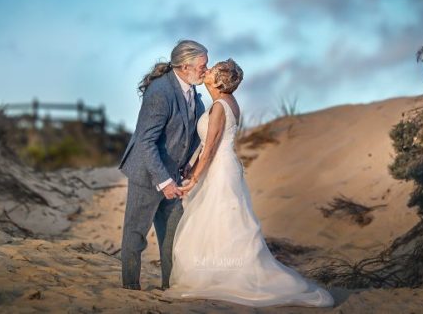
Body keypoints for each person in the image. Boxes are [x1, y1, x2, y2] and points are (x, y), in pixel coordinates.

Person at [163, 59, 334, 307]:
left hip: (219, 168)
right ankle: (218, 272)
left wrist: (194, 178)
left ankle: (222, 275)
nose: (206, 72)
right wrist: (192, 164)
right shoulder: (226, 103)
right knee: (223, 222)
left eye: (211, 71)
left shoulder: (220, 106)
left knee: (222, 221)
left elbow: (211, 148)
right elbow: (208, 145)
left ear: (218, 81)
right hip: (224, 165)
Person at [117, 39, 208, 290]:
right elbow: (146, 141)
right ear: (184, 66)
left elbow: (189, 136)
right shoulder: (160, 92)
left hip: (173, 178)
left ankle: (171, 288)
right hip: (147, 174)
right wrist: (164, 181)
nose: (206, 70)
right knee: (135, 236)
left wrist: (188, 165)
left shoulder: (196, 97)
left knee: (173, 238)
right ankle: (130, 289)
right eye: (202, 65)